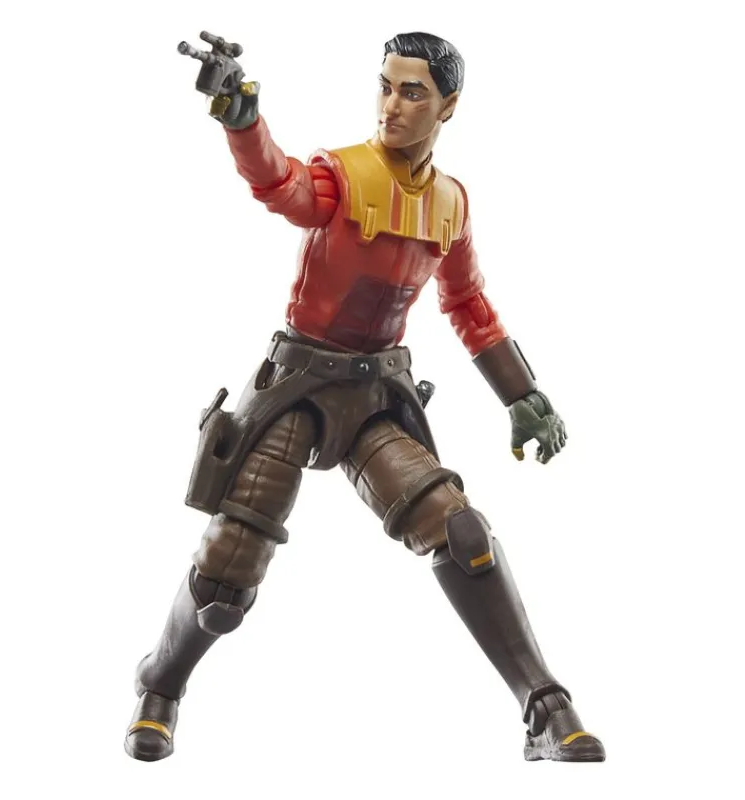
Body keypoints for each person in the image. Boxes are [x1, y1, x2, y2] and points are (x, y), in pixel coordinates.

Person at [124, 31, 605, 764]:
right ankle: (160, 686)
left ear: (448, 105)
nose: (392, 105)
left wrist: (522, 395)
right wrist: (242, 120)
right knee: (229, 568)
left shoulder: (450, 204)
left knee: (462, 533)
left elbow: (468, 303)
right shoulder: (344, 174)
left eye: (413, 92)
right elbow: (281, 185)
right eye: (385, 85)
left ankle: (544, 705)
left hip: (377, 395)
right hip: (299, 386)